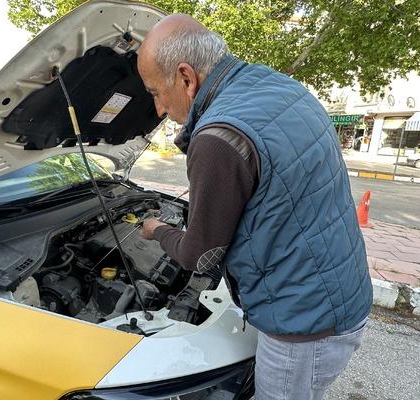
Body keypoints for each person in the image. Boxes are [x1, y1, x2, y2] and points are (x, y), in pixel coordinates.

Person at [137, 14, 373, 400]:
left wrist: (156, 231)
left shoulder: (217, 138)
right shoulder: (279, 88)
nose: (159, 108)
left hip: (303, 325)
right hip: (336, 293)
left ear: (185, 77)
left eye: (154, 92)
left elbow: (200, 256)